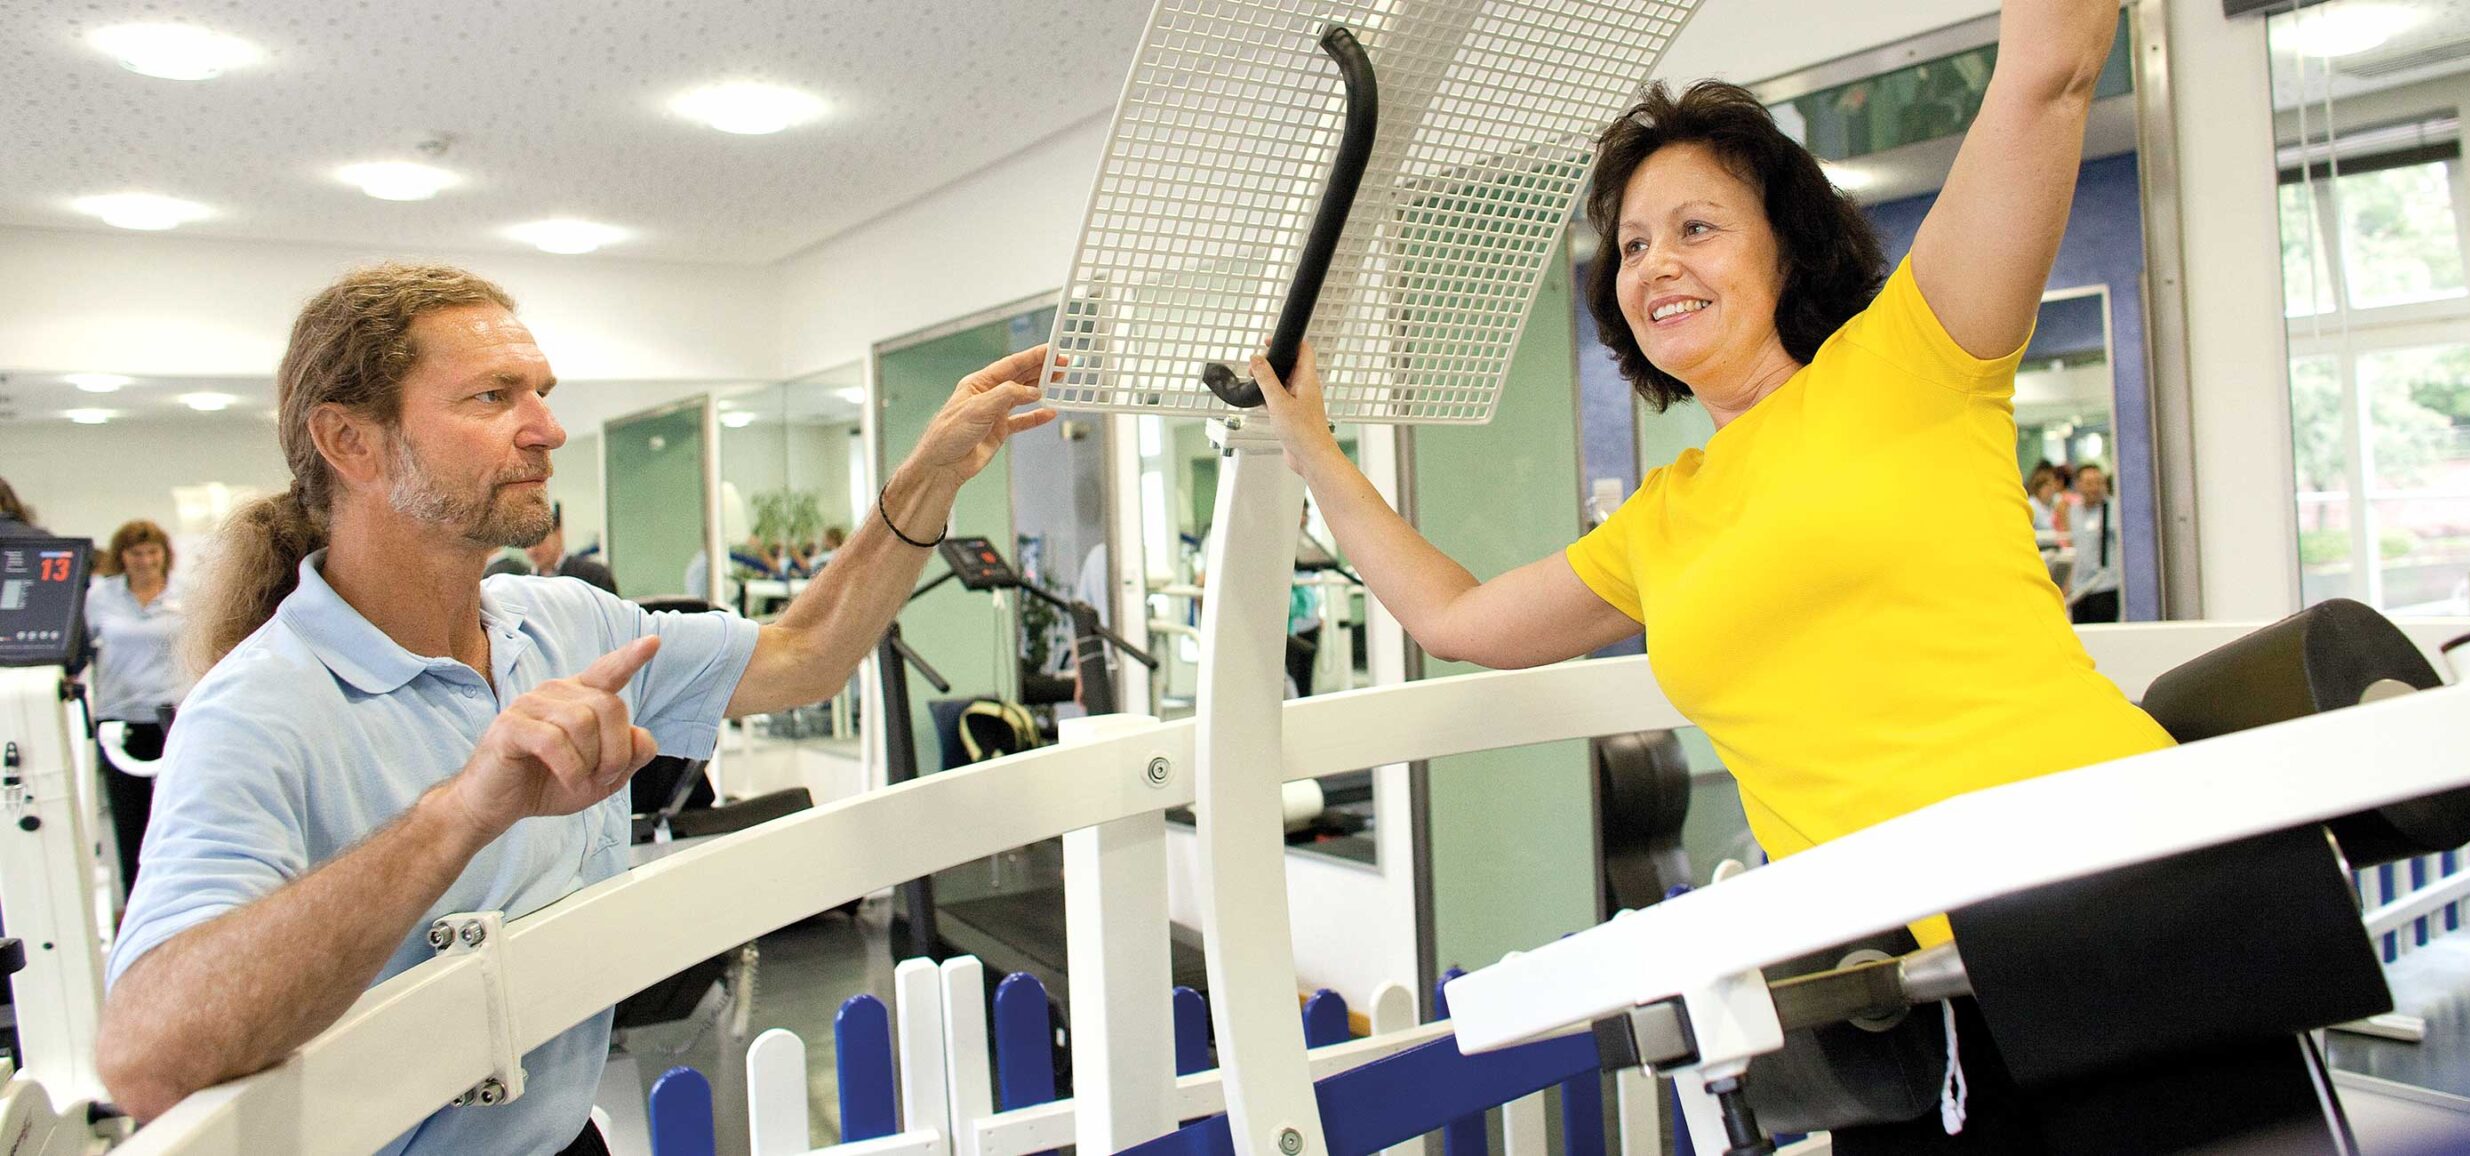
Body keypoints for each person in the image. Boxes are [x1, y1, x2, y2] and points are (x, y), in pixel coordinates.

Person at [1255, 4, 2160, 1149]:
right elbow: (1455, 614)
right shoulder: (1660, 519)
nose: (1656, 264)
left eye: (1696, 227)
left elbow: (2050, 73)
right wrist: (1316, 452)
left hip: (2107, 899)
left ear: (1788, 244)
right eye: (1631, 245)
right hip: (1898, 989)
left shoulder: (1913, 356)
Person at [94, 262, 1054, 1154]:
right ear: (351, 442)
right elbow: (148, 1058)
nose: (545, 428)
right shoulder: (259, 710)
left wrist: (932, 471)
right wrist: (463, 810)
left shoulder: (561, 623)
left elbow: (805, 657)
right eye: (490, 398)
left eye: (540, 394)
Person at [86, 519, 190, 909]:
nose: (144, 560)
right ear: (122, 557)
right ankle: (135, 907)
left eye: (152, 552)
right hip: (120, 718)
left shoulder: (186, 593)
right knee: (129, 823)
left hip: (174, 713)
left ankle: (179, 905)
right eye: (135, 553)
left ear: (164, 553)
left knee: (176, 814)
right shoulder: (100, 596)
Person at [2065, 463, 2121, 623]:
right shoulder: (2072, 512)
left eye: (2099, 482)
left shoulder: (2113, 509)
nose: (2094, 488)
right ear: (2078, 485)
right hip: (2079, 590)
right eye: (2089, 483)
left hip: (2105, 586)